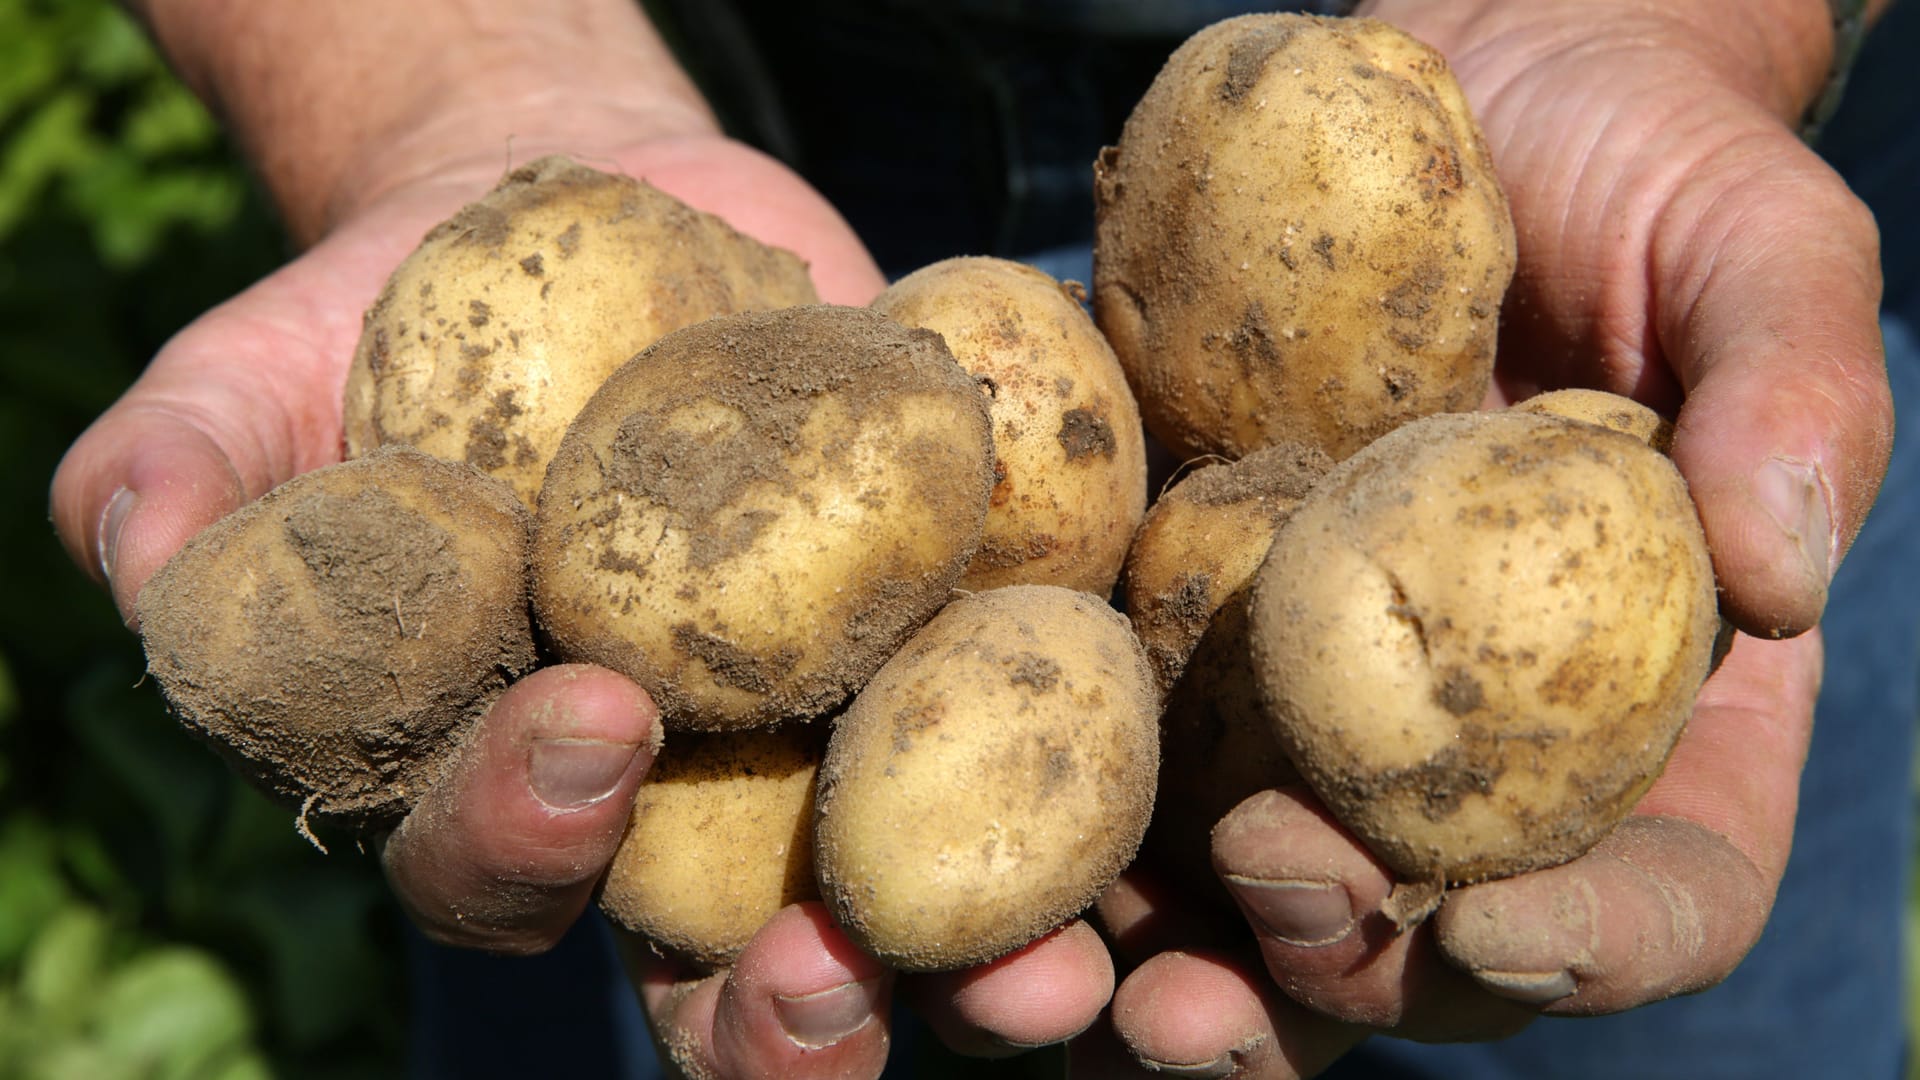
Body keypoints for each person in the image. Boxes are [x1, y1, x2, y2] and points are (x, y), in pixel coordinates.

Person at [51, 0, 1908, 1076]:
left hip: (1534, 260)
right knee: (626, 860)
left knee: (1597, 990)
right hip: (755, 86)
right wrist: (450, 90)